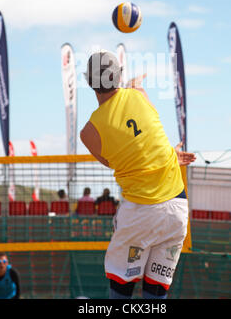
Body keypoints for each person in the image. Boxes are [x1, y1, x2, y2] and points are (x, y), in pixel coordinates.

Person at [80, 51, 196, 300]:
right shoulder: (139, 94)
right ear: (119, 76)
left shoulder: (89, 132)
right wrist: (170, 155)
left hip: (141, 212)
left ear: (88, 82)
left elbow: (115, 162)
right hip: (177, 208)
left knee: (121, 286)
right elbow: (150, 137)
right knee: (156, 288)